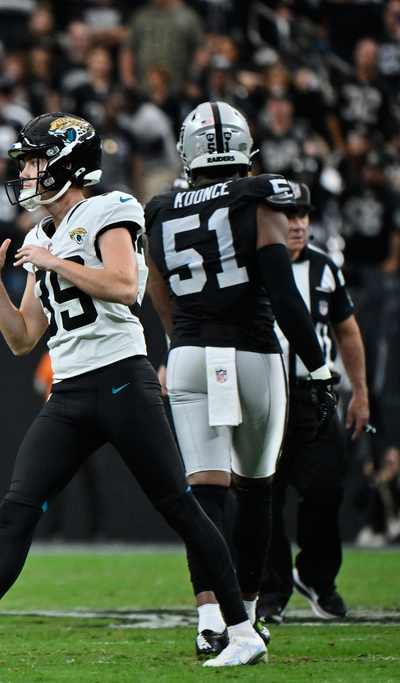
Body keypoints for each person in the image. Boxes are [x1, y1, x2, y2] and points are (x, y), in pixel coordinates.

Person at [0, 112, 267, 669]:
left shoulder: (108, 208)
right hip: (68, 392)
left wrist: (54, 261)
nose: (26, 172)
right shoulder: (39, 234)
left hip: (121, 379)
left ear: (68, 162)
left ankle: (241, 630)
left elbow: (125, 286)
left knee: (180, 507)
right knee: (17, 509)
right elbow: (22, 338)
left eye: (36, 161)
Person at [144, 102, 337, 656]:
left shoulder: (160, 209)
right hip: (251, 353)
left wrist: (181, 341)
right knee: (254, 489)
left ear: (188, 152)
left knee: (204, 493)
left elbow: (159, 294)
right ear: (245, 148)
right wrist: (318, 367)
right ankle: (245, 619)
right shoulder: (258, 200)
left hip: (189, 355)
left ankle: (210, 619)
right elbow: (284, 296)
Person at [259, 182, 370, 622]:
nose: (298, 223)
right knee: (263, 495)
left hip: (314, 392)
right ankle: (270, 591)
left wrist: (360, 392)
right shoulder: (249, 266)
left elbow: (348, 330)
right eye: (289, 214)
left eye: (303, 214)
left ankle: (318, 577)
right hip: (265, 394)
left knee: (325, 487)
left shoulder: (324, 268)